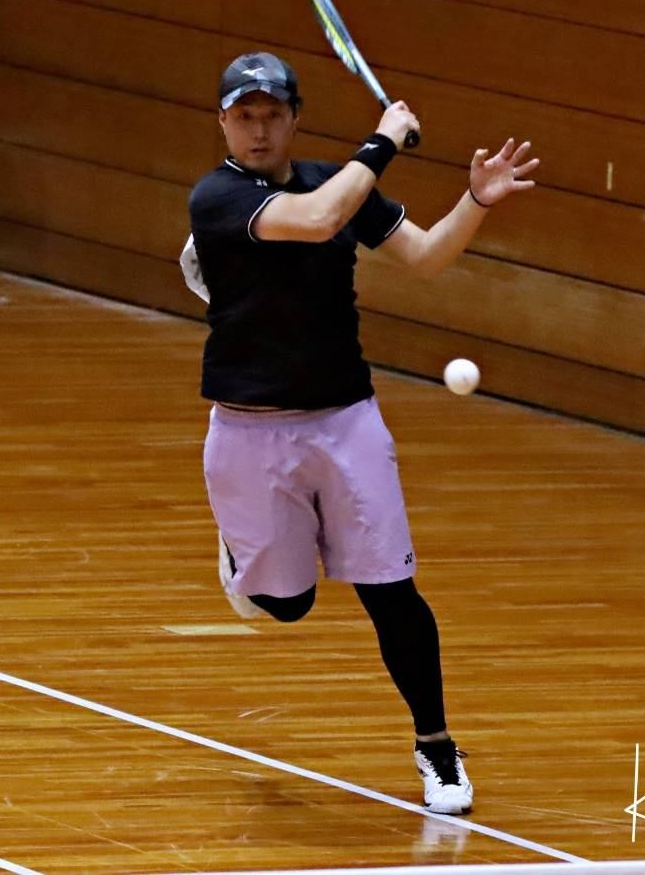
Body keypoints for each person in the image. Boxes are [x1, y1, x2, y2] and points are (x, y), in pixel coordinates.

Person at [185, 51, 539, 815]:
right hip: (249, 430)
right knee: (286, 606)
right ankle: (241, 554)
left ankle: (436, 749)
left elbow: (426, 255)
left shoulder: (333, 182)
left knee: (392, 589)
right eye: (243, 115)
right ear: (222, 122)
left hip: (345, 421)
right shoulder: (216, 198)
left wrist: (473, 201)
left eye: (271, 114)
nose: (257, 128)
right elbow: (315, 222)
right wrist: (379, 143)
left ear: (293, 118)